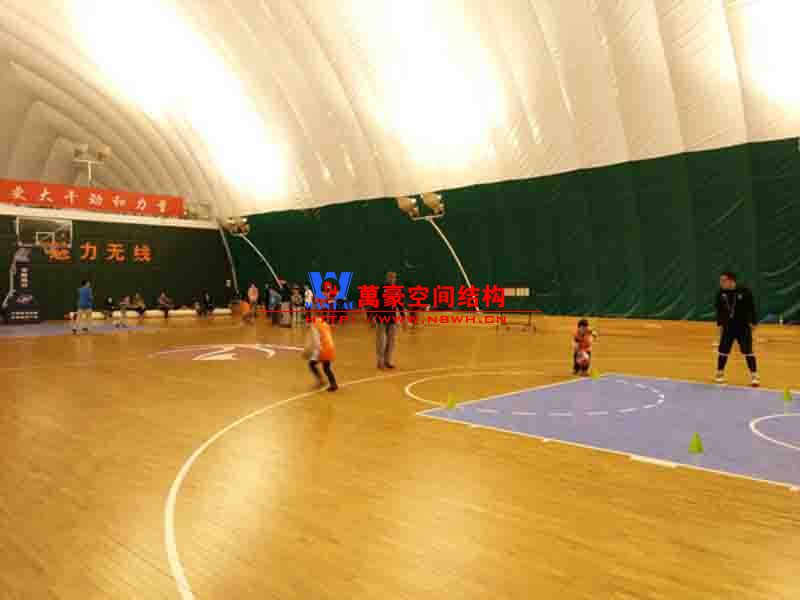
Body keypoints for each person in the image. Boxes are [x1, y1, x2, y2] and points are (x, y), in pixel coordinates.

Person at [715, 271, 759, 386]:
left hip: (743, 327)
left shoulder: (744, 291)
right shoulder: (720, 294)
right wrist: (719, 324)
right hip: (728, 327)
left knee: (748, 351)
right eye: (721, 281)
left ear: (731, 281)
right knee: (723, 351)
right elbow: (719, 310)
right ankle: (719, 373)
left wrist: (753, 322)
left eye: (723, 280)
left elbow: (751, 308)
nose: (721, 283)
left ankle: (754, 376)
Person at [371, 271, 403, 369]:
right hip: (381, 317)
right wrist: (373, 316)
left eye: (394, 277)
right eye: (390, 277)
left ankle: (387, 360)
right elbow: (375, 302)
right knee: (381, 341)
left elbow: (400, 304)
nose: (392, 279)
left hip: (392, 318)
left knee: (391, 341)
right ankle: (380, 362)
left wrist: (403, 317)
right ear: (387, 278)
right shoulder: (381, 289)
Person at [304, 312, 338, 392]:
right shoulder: (325, 323)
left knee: (311, 364)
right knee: (326, 367)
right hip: (330, 347)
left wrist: (311, 351)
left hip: (323, 348)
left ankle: (321, 381)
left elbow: (316, 340)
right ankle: (333, 383)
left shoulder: (314, 324)